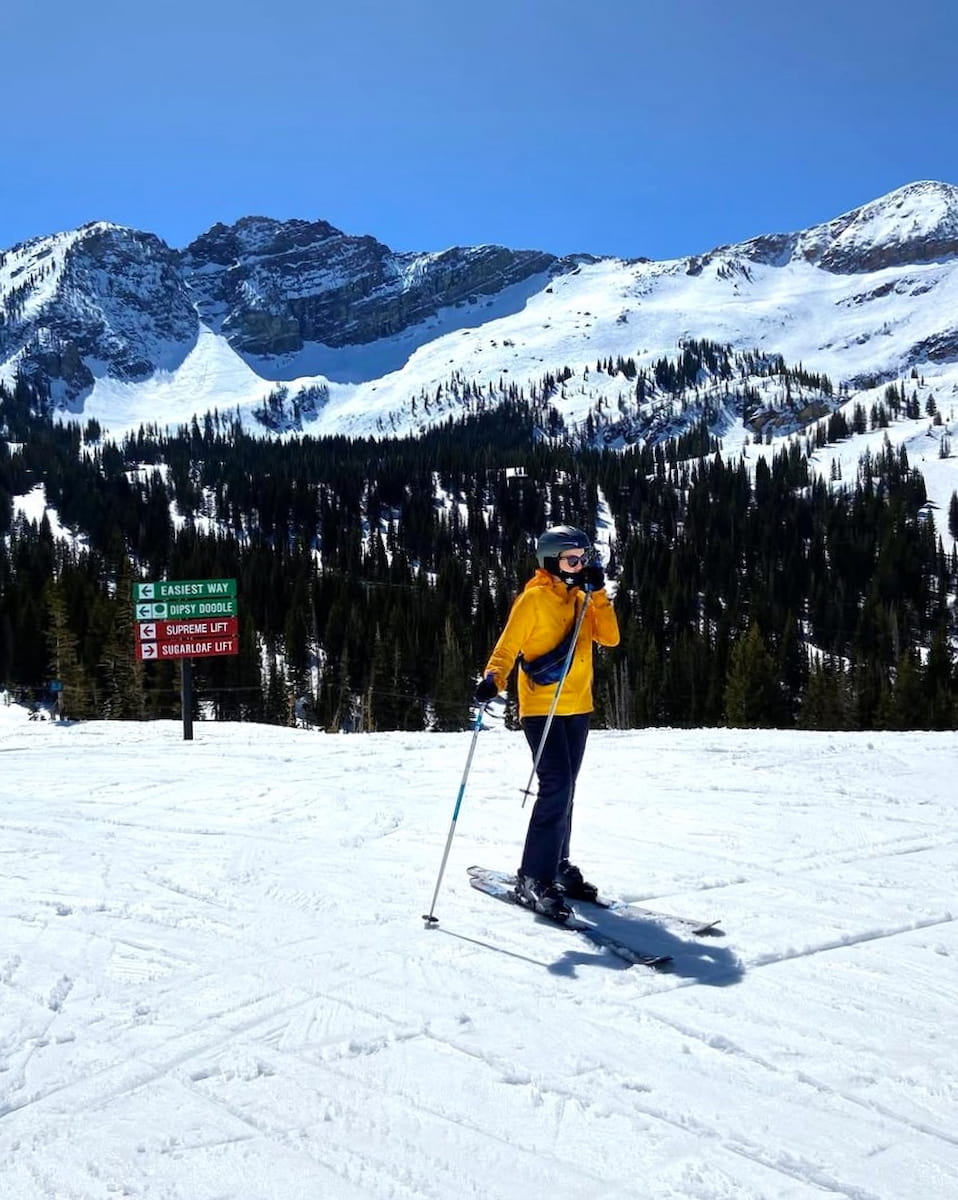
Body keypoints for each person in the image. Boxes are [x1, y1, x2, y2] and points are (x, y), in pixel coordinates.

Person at [474, 525, 620, 920]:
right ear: (551, 561)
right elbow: (507, 647)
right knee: (555, 784)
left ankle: (557, 863)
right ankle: (533, 878)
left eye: (584, 559)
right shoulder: (533, 599)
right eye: (572, 559)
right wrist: (493, 678)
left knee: (567, 787)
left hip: (578, 706)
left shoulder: (584, 598)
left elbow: (610, 638)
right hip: (542, 707)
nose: (579, 566)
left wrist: (600, 594)